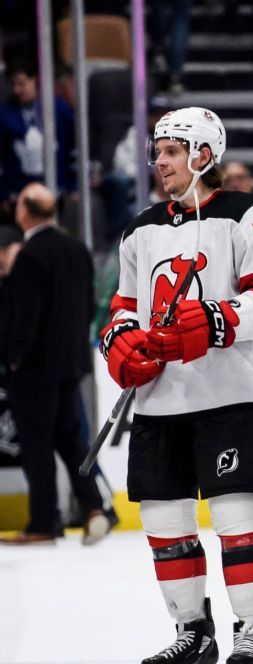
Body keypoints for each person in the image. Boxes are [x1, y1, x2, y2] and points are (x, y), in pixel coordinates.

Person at [101, 106, 253, 664]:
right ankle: (193, 634)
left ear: (203, 155)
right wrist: (120, 344)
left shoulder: (249, 215)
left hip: (231, 395)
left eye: (170, 152)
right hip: (161, 401)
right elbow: (122, 308)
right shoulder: (140, 228)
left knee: (237, 514)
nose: (158, 163)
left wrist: (211, 321)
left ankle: (250, 630)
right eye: (157, 153)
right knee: (162, 519)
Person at [0, 184, 115, 546]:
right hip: (72, 361)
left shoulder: (32, 254)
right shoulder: (76, 248)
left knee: (37, 444)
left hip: (36, 366)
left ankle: (43, 523)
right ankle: (94, 505)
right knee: (70, 438)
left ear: (24, 212)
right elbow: (89, 304)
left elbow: (26, 315)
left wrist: (14, 357)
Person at [0, 62, 75, 213]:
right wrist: (3, 194)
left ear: (34, 79)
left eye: (21, 83)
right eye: (13, 84)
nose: (17, 90)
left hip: (55, 188)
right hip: (21, 194)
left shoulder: (58, 109)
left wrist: (73, 185)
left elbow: (73, 148)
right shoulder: (4, 114)